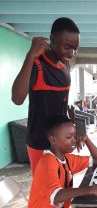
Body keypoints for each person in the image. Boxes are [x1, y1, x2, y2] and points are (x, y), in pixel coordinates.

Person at [12, 17, 80, 175]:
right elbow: (17, 98)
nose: (72, 53)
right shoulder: (37, 65)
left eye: (75, 48)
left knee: (63, 184)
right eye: (67, 47)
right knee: (45, 191)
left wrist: (70, 121)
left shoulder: (65, 65)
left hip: (62, 143)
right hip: (40, 143)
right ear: (52, 40)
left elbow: (59, 102)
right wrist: (30, 56)